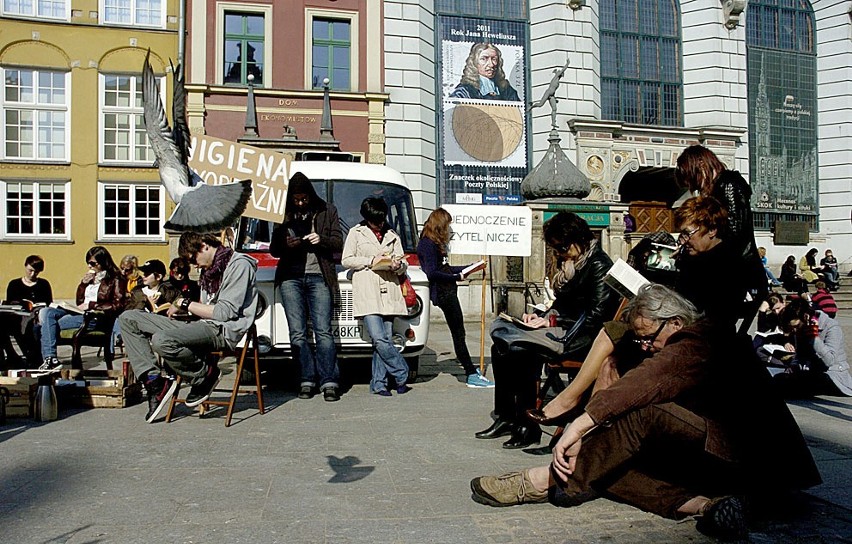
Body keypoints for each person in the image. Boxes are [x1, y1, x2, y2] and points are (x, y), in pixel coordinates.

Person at [470, 284, 820, 541]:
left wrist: (579, 425)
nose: (647, 347)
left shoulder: (703, 339)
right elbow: (622, 337)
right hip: (731, 473)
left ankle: (545, 480)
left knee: (640, 415)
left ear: (675, 323)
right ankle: (704, 506)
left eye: (649, 338)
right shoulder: (677, 335)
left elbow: (650, 378)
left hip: (760, 465)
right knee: (608, 463)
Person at [476, 212, 619, 449]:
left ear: (579, 239)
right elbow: (562, 303)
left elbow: (596, 315)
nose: (560, 254)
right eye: (556, 249)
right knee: (500, 347)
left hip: (583, 339)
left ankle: (527, 424)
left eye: (562, 248)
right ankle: (505, 416)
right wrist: (541, 317)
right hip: (567, 330)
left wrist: (553, 321)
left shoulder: (598, 265)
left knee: (521, 350)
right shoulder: (576, 263)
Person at [119, 231, 258, 423]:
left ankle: (204, 375)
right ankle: (155, 382)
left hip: (222, 330)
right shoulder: (209, 270)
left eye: (194, 259)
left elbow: (225, 313)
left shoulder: (239, 265)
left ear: (204, 246)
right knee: (128, 318)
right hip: (200, 324)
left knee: (161, 339)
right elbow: (203, 308)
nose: (195, 265)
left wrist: (183, 303)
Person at [269, 172, 343, 402]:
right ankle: (306, 379)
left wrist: (321, 239)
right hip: (291, 276)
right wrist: (285, 243)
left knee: (323, 331)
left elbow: (338, 241)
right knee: (297, 333)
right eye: (296, 199)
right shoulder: (282, 213)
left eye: (303, 198)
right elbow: (274, 250)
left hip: (319, 275)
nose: (300, 203)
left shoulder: (327, 210)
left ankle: (329, 380)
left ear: (310, 195)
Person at [675, 145, 766, 329]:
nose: (694, 186)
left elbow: (734, 233)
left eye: (693, 178)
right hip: (729, 269)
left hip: (738, 273)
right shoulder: (718, 187)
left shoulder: (728, 184)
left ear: (701, 164)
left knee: (716, 328)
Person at [341, 197, 412, 397]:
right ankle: (401, 373)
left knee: (385, 339)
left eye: (381, 219)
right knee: (380, 338)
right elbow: (347, 259)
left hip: (389, 288)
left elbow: (402, 260)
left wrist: (399, 265)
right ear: (367, 218)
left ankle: (378, 383)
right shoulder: (356, 232)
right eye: (375, 220)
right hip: (368, 290)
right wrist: (371, 260)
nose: (380, 223)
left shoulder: (392, 234)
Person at [417, 208, 494, 388]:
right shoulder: (427, 244)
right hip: (444, 293)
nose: (449, 230)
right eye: (447, 226)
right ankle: (470, 373)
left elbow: (445, 268)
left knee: (459, 332)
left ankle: (470, 371)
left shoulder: (434, 244)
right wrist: (457, 277)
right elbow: (432, 273)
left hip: (449, 291)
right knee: (458, 333)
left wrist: (469, 267)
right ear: (440, 225)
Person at [36, 246, 126, 371]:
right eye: (88, 263)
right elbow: (79, 302)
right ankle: (51, 359)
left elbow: (118, 305)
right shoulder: (90, 279)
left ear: (103, 262)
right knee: (46, 312)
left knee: (45, 326)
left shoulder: (116, 279)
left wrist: (92, 305)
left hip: (96, 317)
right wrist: (83, 284)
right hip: (80, 313)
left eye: (93, 263)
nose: (90, 266)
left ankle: (49, 359)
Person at [772, 298, 851, 397]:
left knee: (803, 382)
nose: (795, 330)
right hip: (811, 372)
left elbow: (830, 361)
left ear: (806, 317)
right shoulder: (800, 328)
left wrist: (814, 338)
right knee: (779, 379)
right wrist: (793, 366)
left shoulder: (831, 327)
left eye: (796, 326)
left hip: (832, 374)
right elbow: (799, 355)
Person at [2, 255, 53, 367]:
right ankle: (11, 355)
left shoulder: (43, 284)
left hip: (35, 315)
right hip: (16, 315)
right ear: (25, 266)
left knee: (30, 324)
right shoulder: (14, 284)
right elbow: (10, 303)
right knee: (5, 322)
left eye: (36, 272)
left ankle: (32, 356)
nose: (32, 274)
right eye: (30, 270)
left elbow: (48, 303)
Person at [449, 42, 520, 101]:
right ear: (474, 62)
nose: (491, 64)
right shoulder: (464, 92)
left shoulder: (507, 91)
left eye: (494, 59)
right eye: (484, 59)